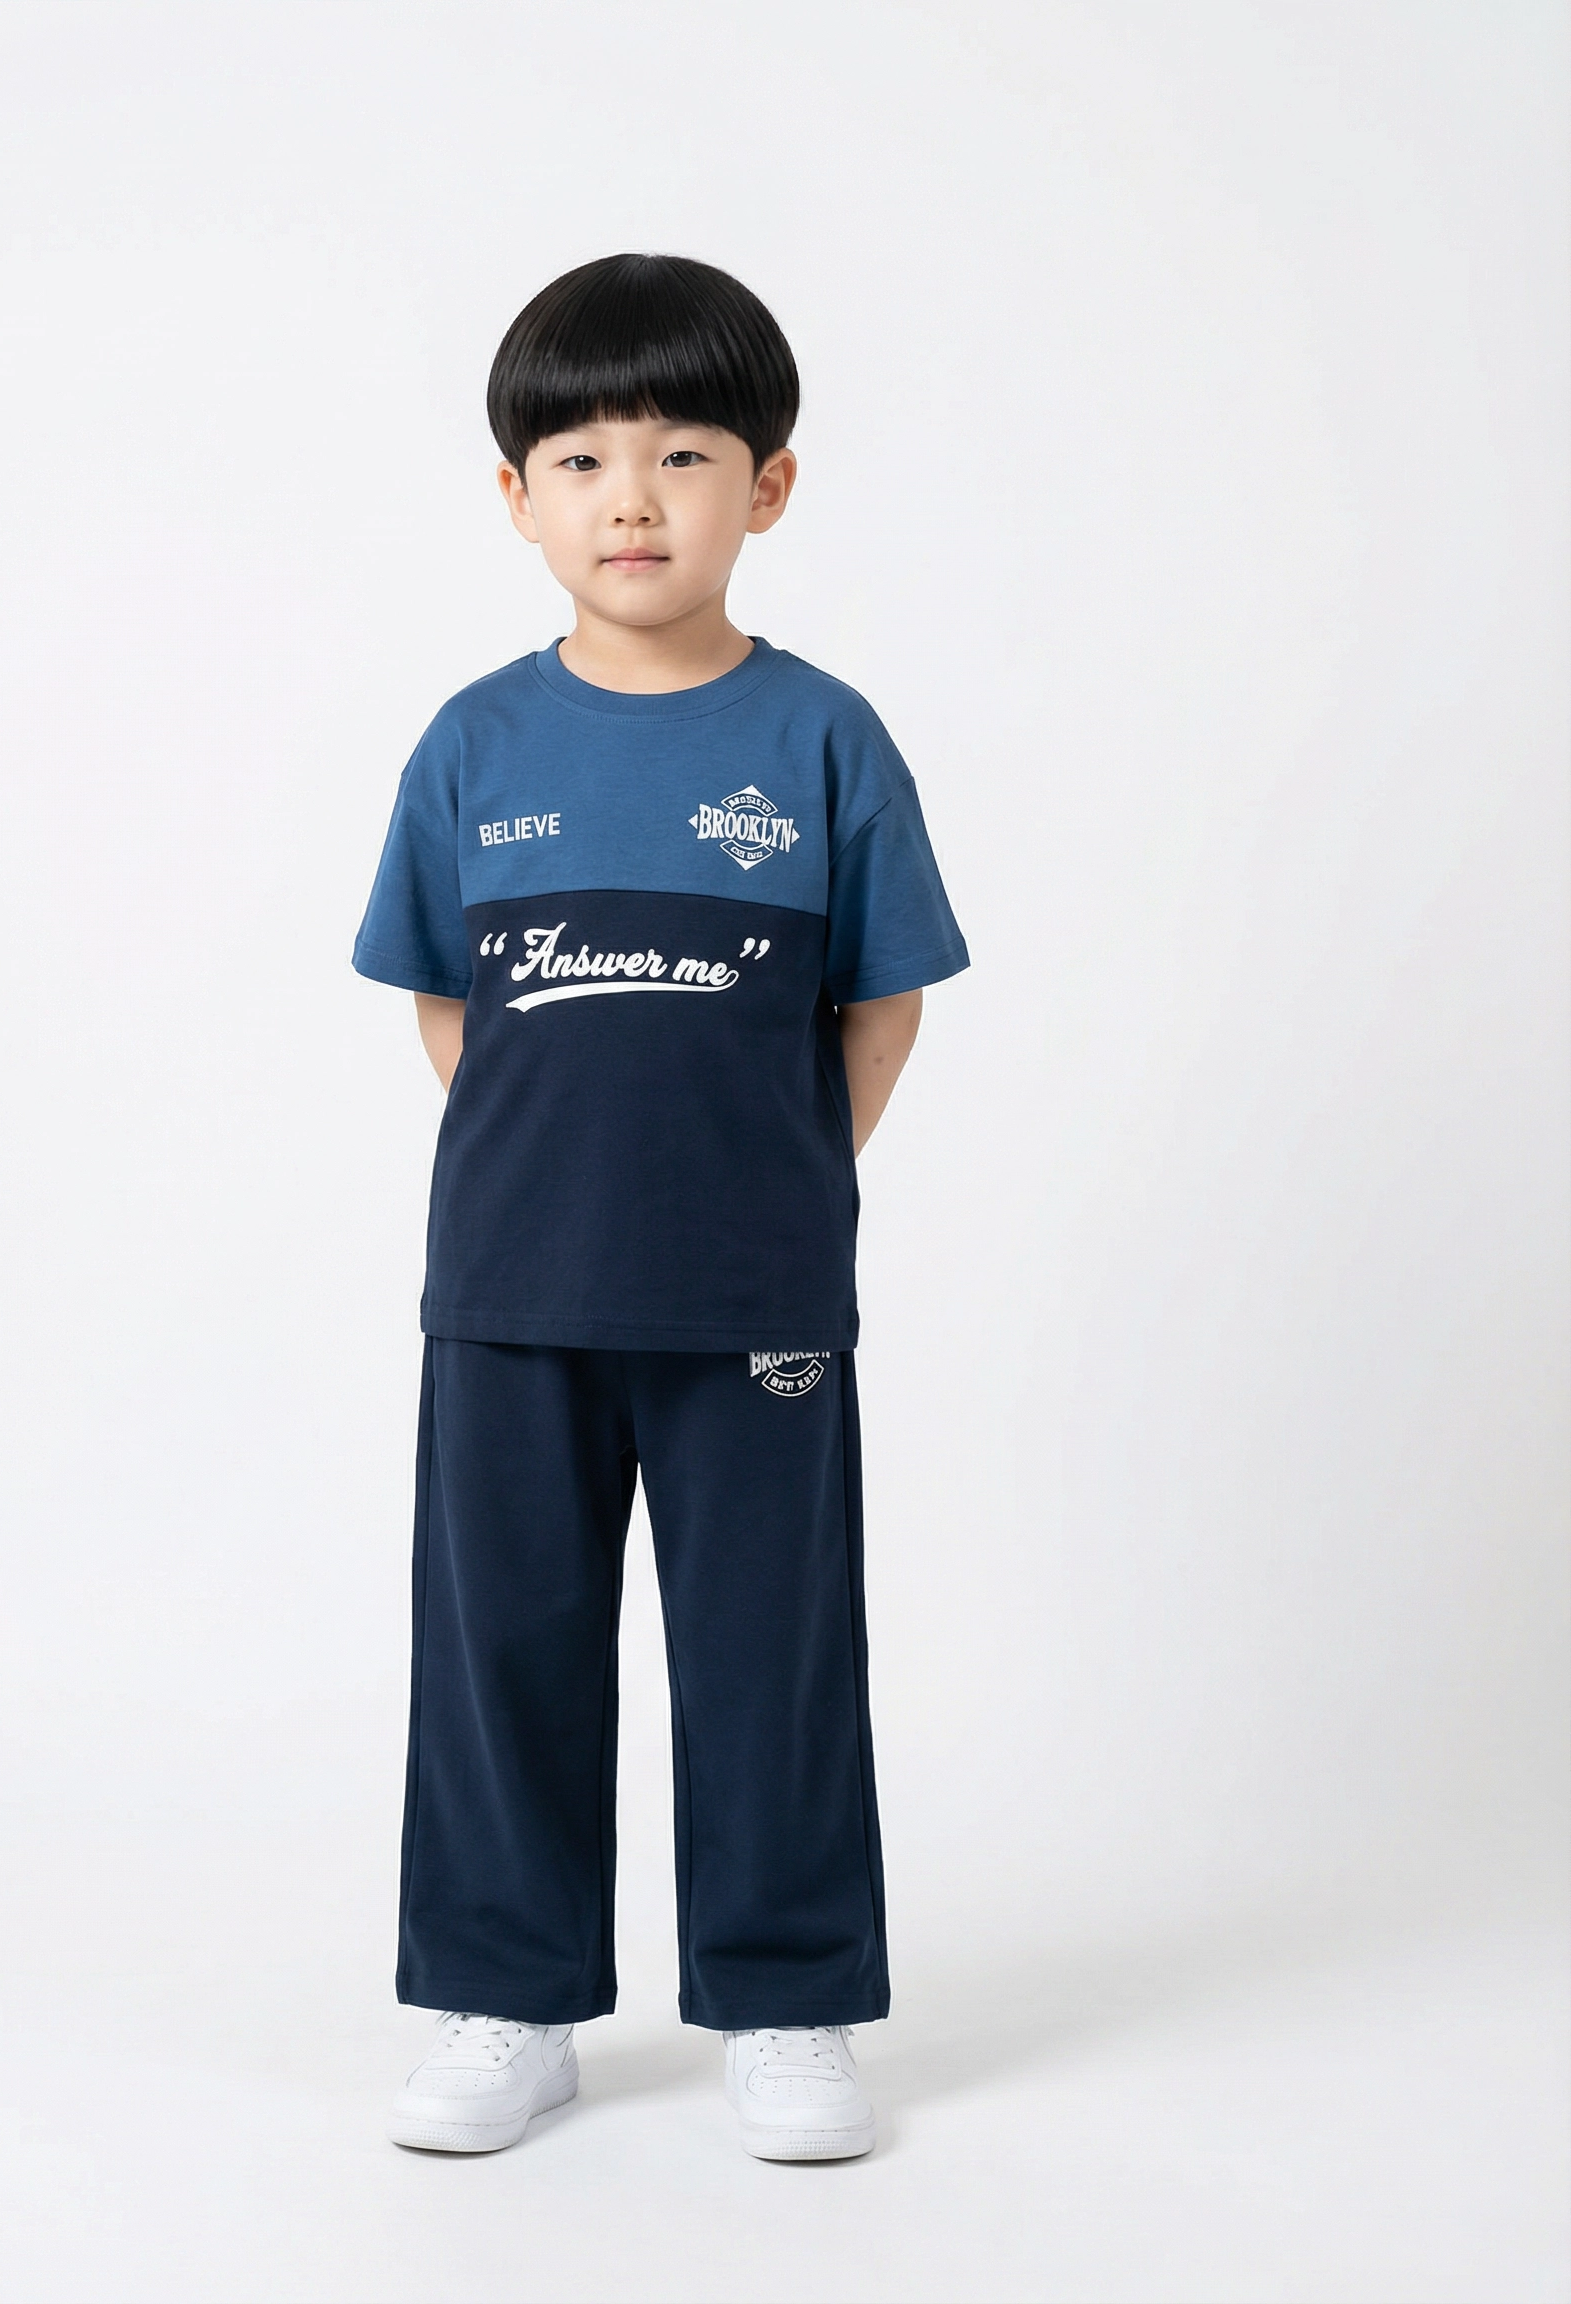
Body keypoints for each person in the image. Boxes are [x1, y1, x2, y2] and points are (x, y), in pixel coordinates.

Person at [352, 253, 969, 2160]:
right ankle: (506, 1996)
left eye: (685, 454)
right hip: (512, 1292)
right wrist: (565, 1181)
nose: (634, 497)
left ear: (766, 487)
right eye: (583, 460)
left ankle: (788, 2006)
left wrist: (764, 1187)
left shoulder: (824, 740)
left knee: (772, 1656)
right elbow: (450, 1002)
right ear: (517, 496)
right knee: (504, 1652)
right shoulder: (475, 745)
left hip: (756, 1299)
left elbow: (884, 1005)